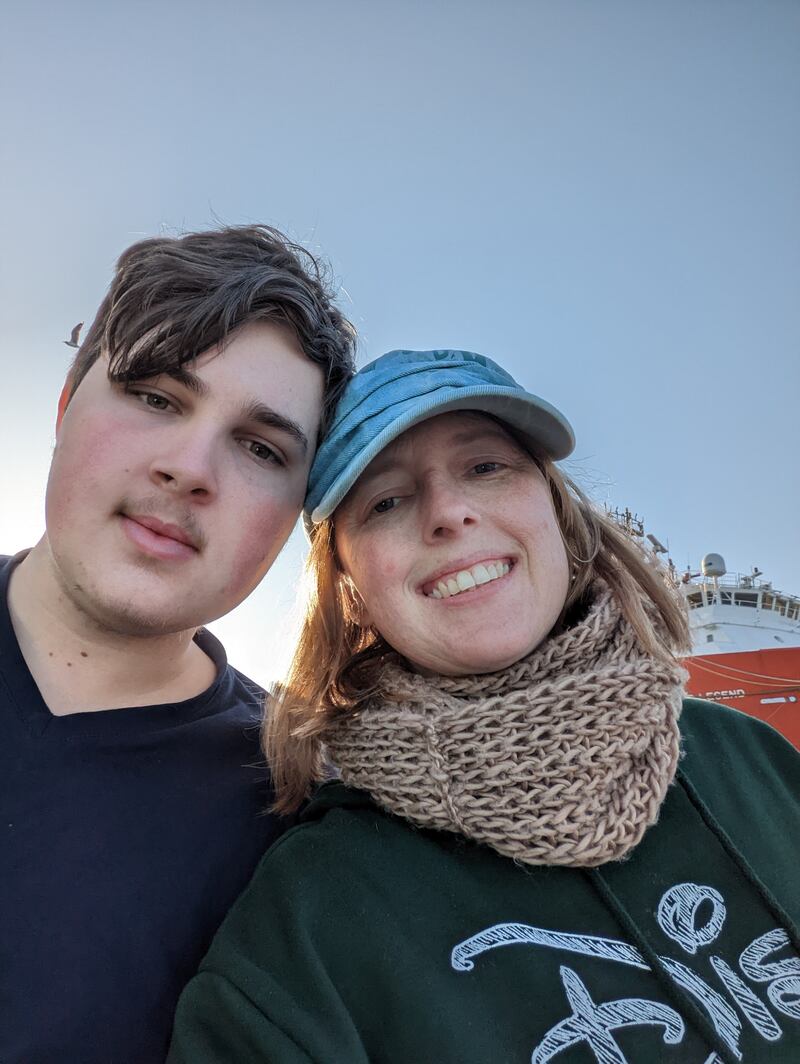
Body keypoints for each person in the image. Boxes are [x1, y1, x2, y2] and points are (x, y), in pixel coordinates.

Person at [169, 349, 800, 1064]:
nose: (450, 512)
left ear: (559, 513)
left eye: (486, 467)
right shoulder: (309, 927)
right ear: (349, 587)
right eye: (386, 500)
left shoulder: (753, 761)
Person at [0, 224, 355, 1064]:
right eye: (156, 396)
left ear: (297, 517)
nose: (191, 467)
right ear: (62, 404)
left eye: (261, 447)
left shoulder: (306, 821)